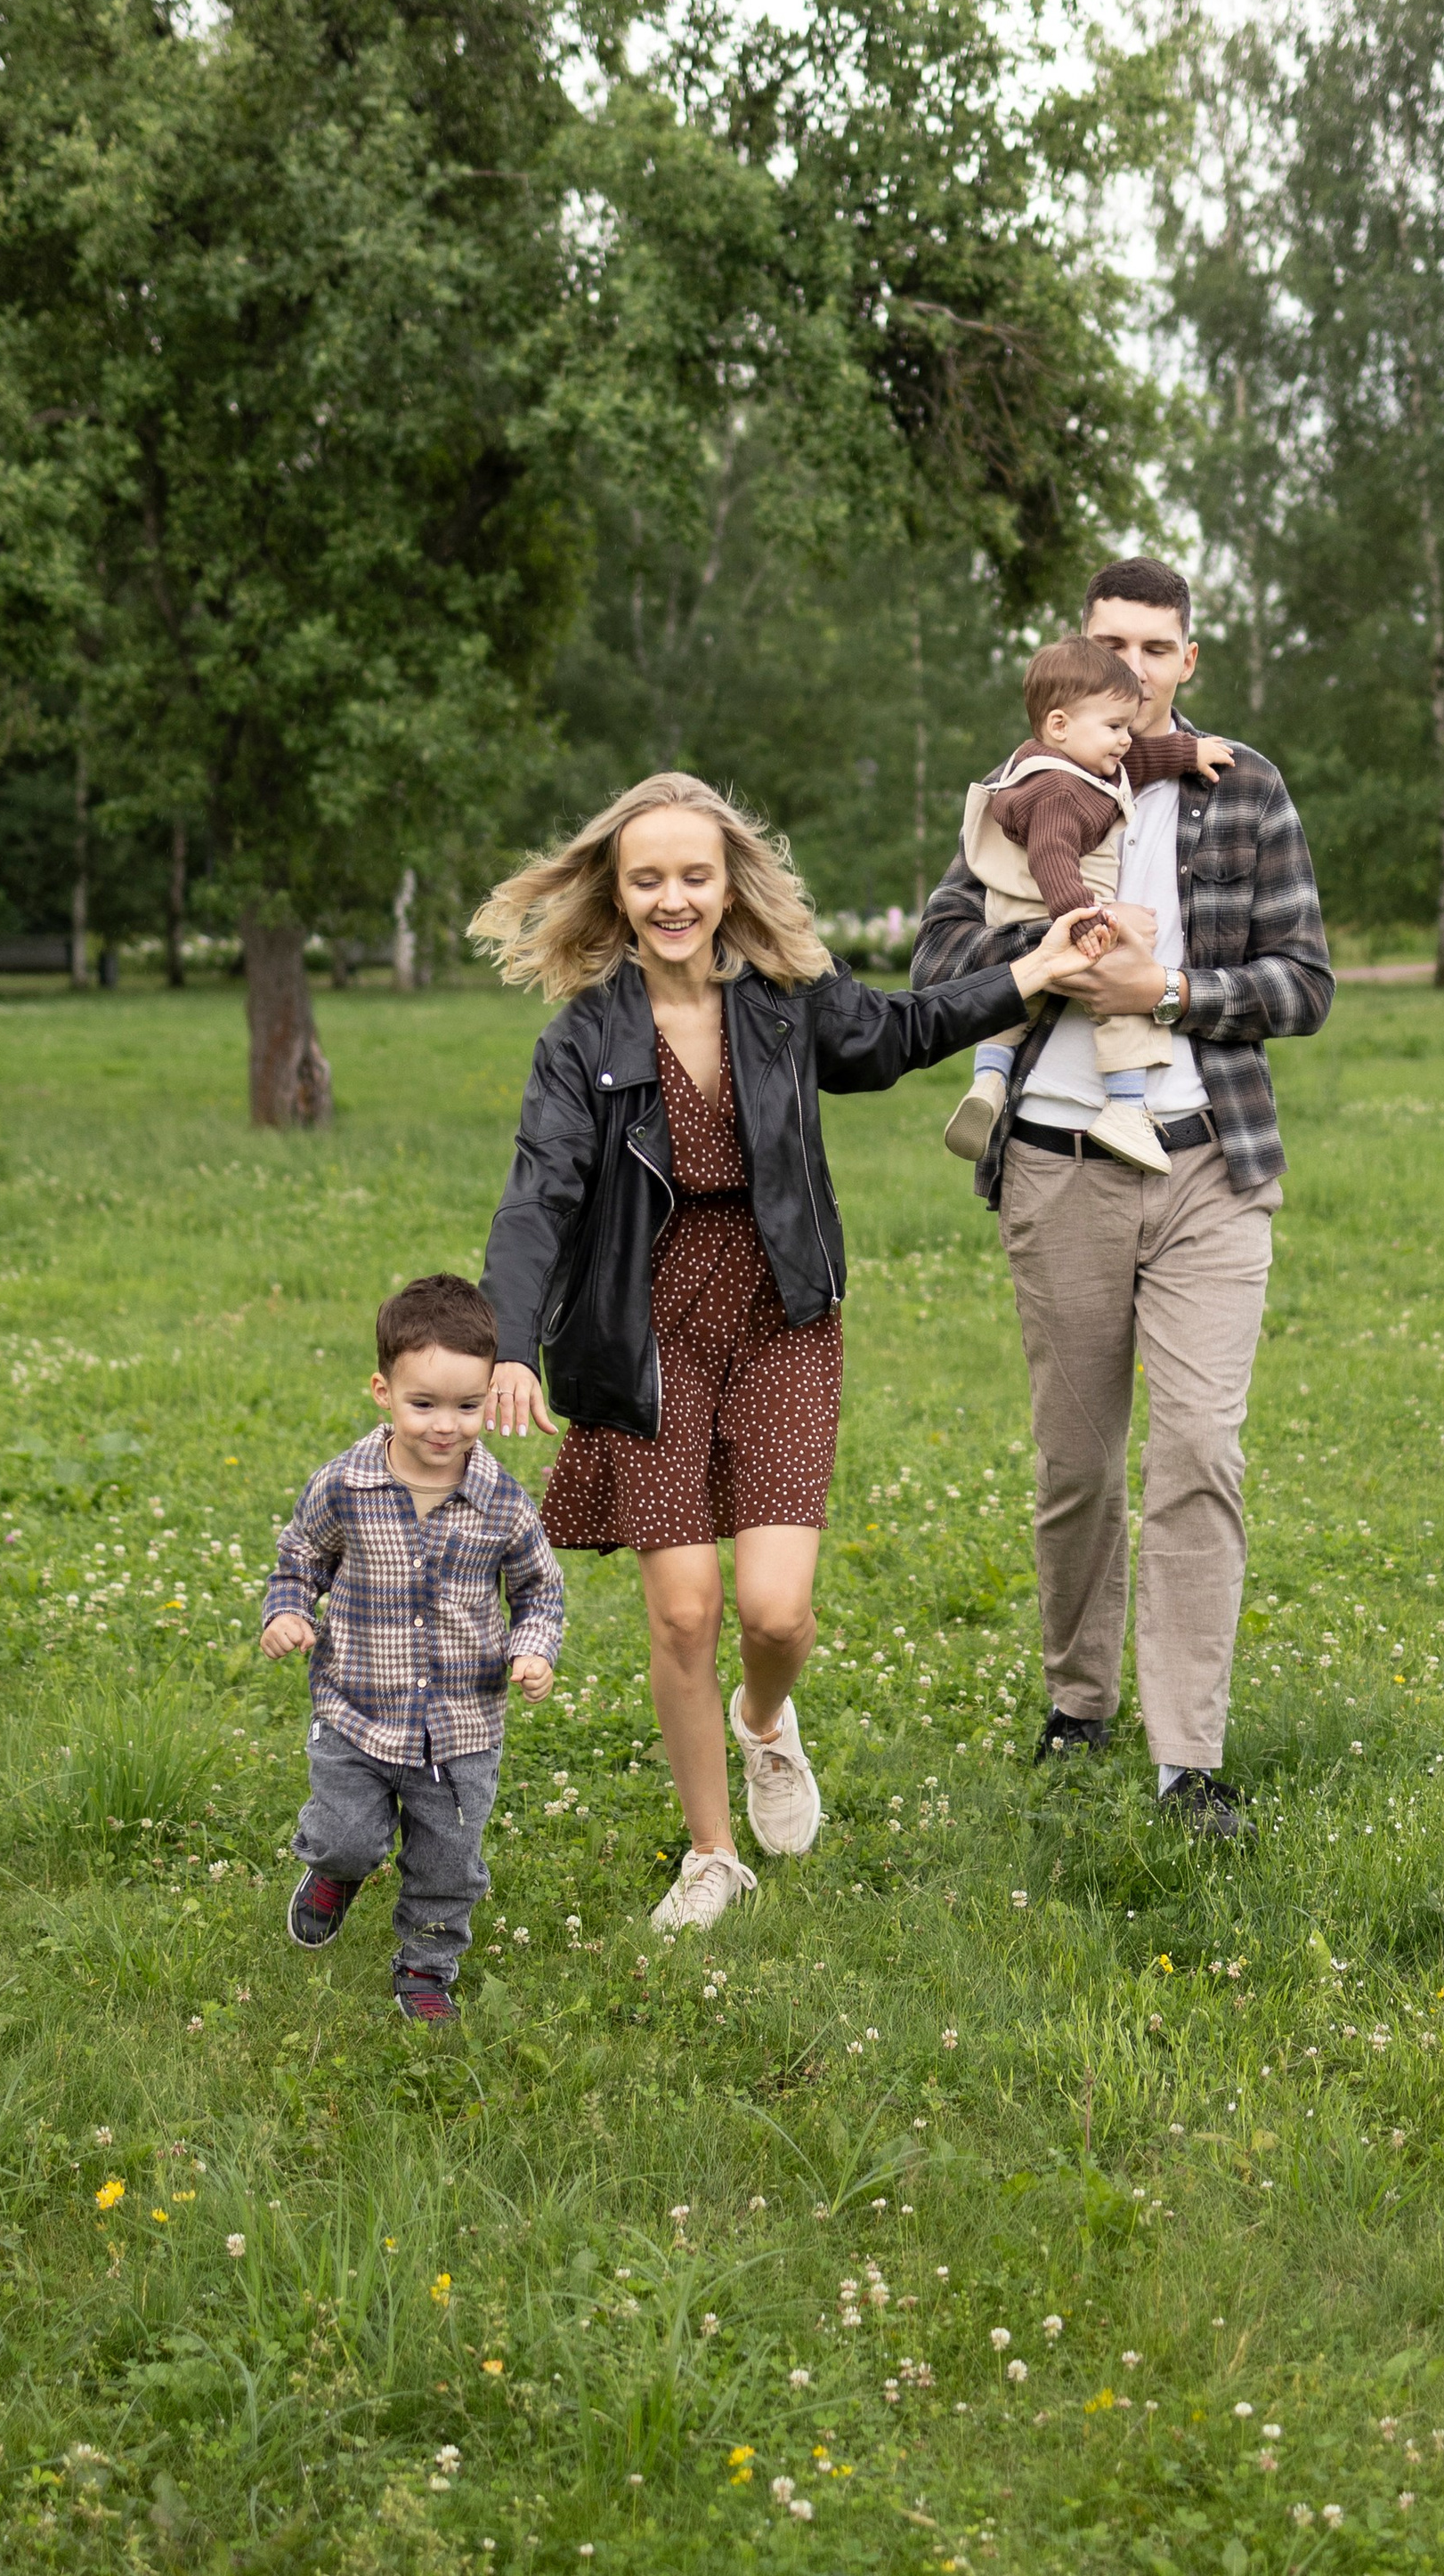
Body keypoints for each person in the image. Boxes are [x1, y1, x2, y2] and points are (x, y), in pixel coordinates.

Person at [475, 769, 1098, 1934]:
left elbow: (895, 1035)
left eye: (693, 877)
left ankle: (767, 1722)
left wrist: (1030, 975)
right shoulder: (585, 1040)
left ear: (726, 885)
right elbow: (536, 1198)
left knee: (770, 1613)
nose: (672, 898)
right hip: (643, 1336)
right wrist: (508, 1341)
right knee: (683, 1612)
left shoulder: (783, 997)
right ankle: (712, 1854)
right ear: (616, 891)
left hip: (781, 1322)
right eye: (647, 878)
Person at [912, 556, 1333, 1840]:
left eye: (1156, 647)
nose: (1133, 668)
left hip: (1211, 1163)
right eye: (1111, 644)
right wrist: (1051, 961)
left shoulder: (1241, 785)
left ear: (1188, 660)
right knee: (1079, 1463)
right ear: (1074, 657)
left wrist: (1169, 994)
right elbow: (936, 959)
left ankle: (1186, 1759)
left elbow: (1304, 984)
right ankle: (1078, 1704)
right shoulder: (1022, 787)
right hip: (1060, 1165)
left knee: (1200, 1448)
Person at [261, 1272, 564, 2022]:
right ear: (382, 1391)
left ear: (491, 1395)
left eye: (466, 1406)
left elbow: (539, 1589)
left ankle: (426, 1967)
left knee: (447, 1862)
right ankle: (335, 1871)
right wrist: (288, 1612)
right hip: (356, 1711)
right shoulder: (343, 1486)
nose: (443, 1425)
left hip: (461, 1729)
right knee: (345, 1835)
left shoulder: (501, 1502)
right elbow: (301, 1560)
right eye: (422, 1404)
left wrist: (534, 1648)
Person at [942, 637, 1237, 1175]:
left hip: (1015, 922)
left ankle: (989, 1079)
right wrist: (1091, 921)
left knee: (1016, 1001)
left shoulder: (1063, 760)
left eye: (1127, 728)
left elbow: (1140, 761)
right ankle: (1125, 1109)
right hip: (1063, 911)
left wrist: (1189, 752)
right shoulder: (1057, 791)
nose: (1126, 740)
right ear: (1059, 725)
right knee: (1125, 996)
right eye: (1114, 728)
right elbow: (1054, 860)